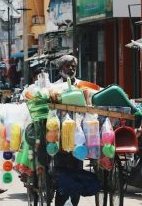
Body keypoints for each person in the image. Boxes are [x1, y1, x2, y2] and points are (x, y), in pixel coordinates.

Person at [53, 55, 82, 206]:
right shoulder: (53, 88)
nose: (71, 69)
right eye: (67, 66)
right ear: (60, 69)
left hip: (79, 137)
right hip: (60, 138)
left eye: (73, 66)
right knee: (62, 173)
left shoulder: (83, 86)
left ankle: (74, 202)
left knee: (77, 172)